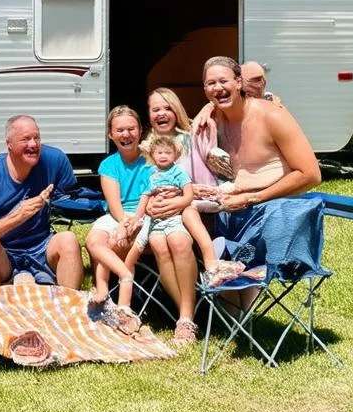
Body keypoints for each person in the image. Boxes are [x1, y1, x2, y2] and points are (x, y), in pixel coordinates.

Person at [191, 56, 321, 279]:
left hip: (270, 210)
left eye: (224, 81)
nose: (218, 88)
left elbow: (311, 175)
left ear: (239, 82)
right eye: (211, 84)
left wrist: (253, 198)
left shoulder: (272, 115)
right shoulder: (215, 119)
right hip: (231, 208)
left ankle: (234, 295)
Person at [85, 105, 199, 344]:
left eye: (131, 128)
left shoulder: (153, 160)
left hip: (148, 212)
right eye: (119, 130)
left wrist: (137, 220)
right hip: (120, 214)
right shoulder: (108, 165)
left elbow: (160, 192)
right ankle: (119, 280)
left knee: (121, 241)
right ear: (110, 135)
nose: (126, 134)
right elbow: (114, 204)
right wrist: (124, 224)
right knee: (93, 240)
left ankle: (124, 294)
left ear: (140, 131)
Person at [0, 114, 83, 294]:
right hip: (3, 253)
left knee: (68, 240)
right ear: (9, 144)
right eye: (25, 139)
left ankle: (69, 312)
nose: (33, 144)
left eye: (36, 137)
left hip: (41, 247)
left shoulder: (54, 160)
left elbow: (74, 200)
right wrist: (17, 217)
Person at [120, 133, 231, 295]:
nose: (163, 156)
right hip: (154, 220)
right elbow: (145, 196)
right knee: (141, 246)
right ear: (152, 155)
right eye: (159, 153)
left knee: (176, 239)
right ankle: (125, 279)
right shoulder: (152, 174)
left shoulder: (179, 170)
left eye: (167, 153)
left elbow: (188, 195)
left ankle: (210, 262)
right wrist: (138, 217)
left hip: (174, 218)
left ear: (175, 155)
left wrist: (173, 204)